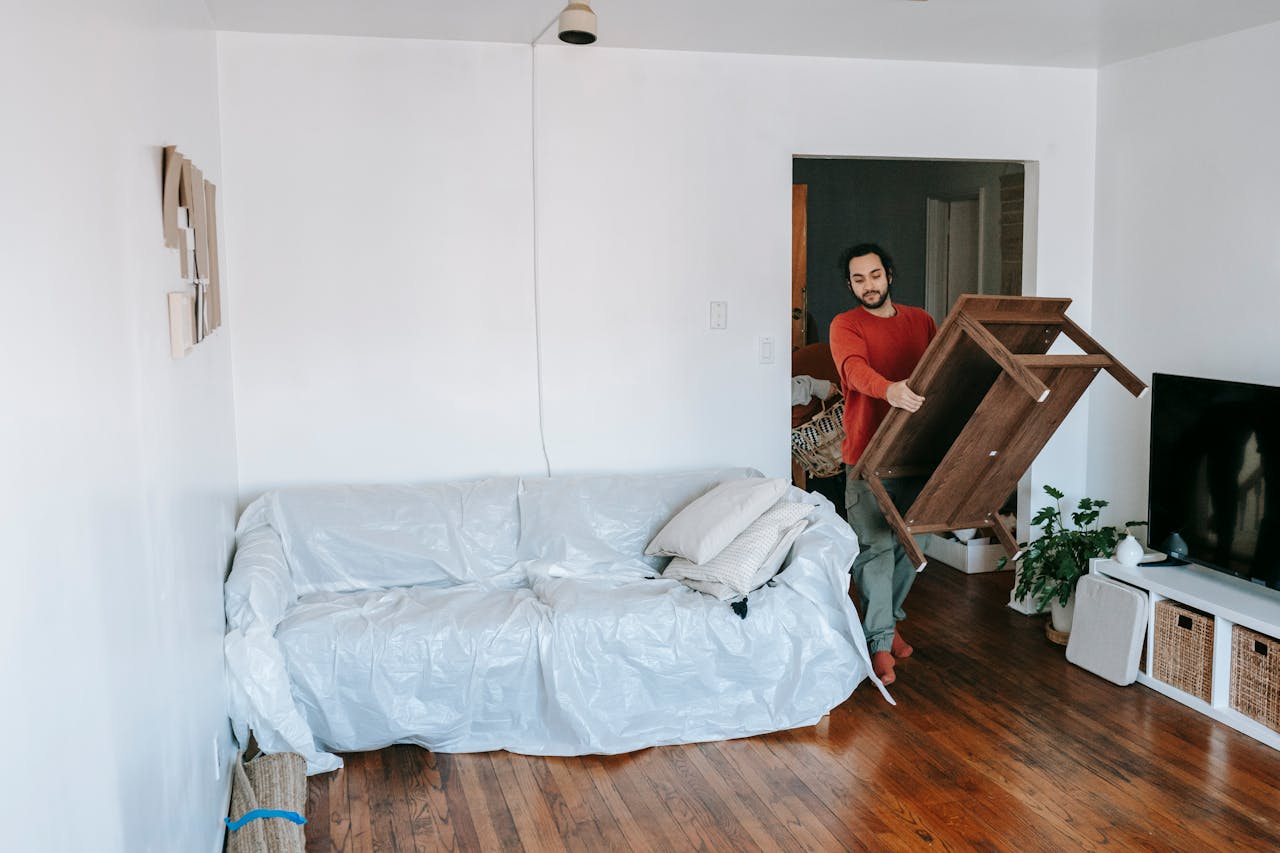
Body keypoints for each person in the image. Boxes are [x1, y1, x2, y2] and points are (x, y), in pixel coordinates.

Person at [829, 243, 937, 687]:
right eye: (858, 279)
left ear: (889, 275)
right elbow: (853, 369)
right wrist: (888, 389)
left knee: (913, 547)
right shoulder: (845, 324)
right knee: (874, 548)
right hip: (866, 457)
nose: (868, 285)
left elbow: (941, 369)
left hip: (917, 454)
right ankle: (878, 643)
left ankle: (885, 625)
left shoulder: (921, 321)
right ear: (851, 284)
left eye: (874, 275)